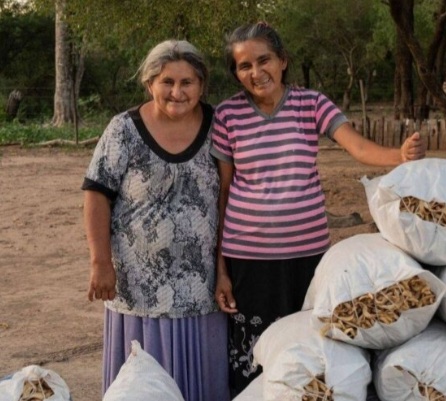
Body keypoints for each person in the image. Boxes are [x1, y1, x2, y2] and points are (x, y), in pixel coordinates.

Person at [210, 21, 427, 395]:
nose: (256, 72)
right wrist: (221, 270)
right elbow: (223, 194)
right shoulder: (228, 115)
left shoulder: (311, 104)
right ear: (236, 73)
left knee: (312, 351)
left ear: (282, 61)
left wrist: (400, 155)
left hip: (308, 255)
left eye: (264, 60)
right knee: (254, 357)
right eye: (244, 66)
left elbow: (357, 147)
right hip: (248, 257)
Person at [82, 40, 229, 401]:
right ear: (150, 84)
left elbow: (229, 198)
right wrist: (101, 262)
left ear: (202, 85)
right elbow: (96, 194)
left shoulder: (219, 127)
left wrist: (225, 268)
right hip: (138, 287)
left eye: (187, 82)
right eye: (167, 82)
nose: (177, 92)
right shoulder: (124, 130)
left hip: (200, 288)